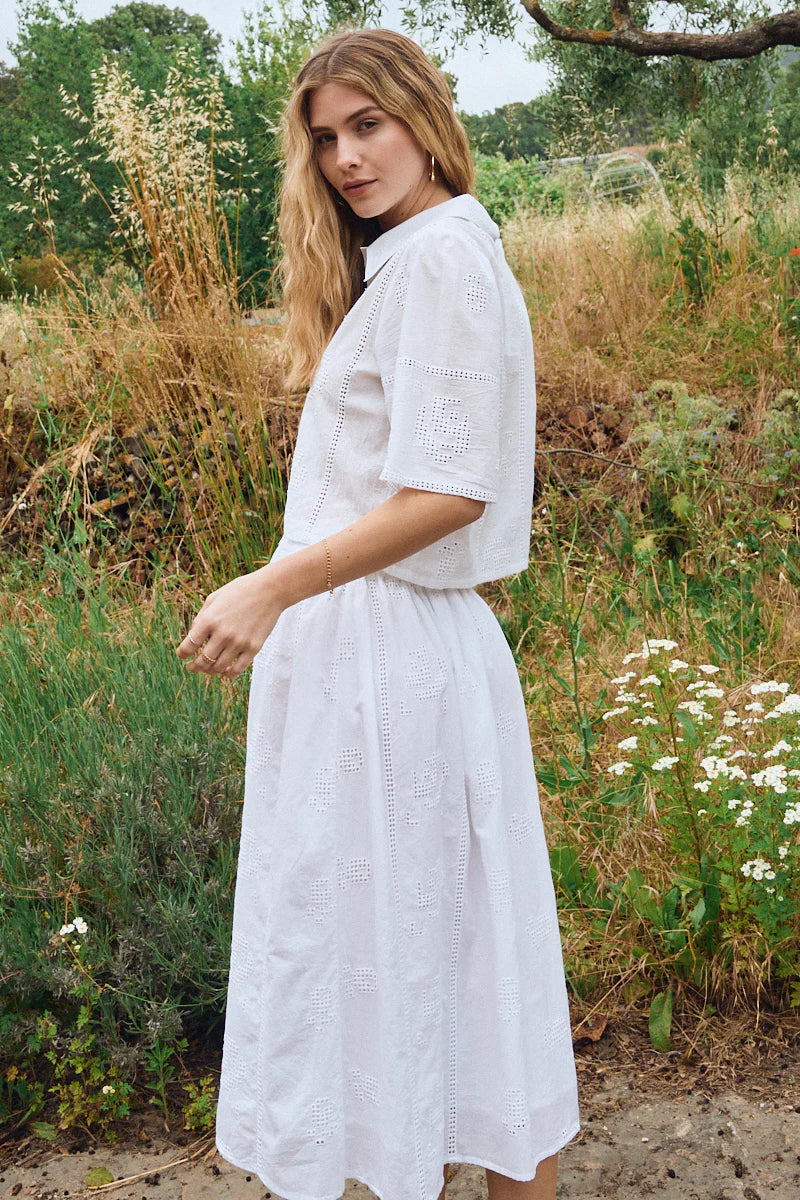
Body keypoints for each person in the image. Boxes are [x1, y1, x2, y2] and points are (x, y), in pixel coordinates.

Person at [175, 26, 580, 1200]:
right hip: (378, 658)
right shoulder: (414, 257)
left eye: (367, 124)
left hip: (389, 658)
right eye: (324, 140)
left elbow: (451, 490)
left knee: (414, 967)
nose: (346, 158)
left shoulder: (444, 257)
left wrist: (273, 583)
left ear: (423, 116)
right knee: (445, 973)